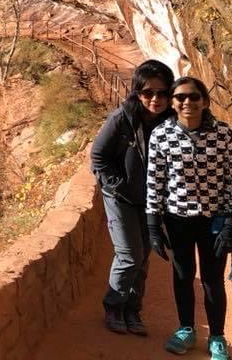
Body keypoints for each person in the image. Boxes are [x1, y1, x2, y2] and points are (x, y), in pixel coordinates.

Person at [146, 76, 232, 360]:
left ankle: (216, 337)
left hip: (214, 220)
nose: (187, 102)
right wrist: (153, 223)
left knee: (213, 279)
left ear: (205, 101)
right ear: (173, 103)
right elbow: (155, 181)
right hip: (178, 219)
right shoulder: (162, 135)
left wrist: (230, 220)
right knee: (183, 275)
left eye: (193, 97)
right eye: (180, 98)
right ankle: (186, 329)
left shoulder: (224, 134)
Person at [90, 59, 175, 335]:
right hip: (120, 196)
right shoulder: (122, 119)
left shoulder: (172, 122)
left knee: (144, 255)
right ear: (137, 92)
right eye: (148, 92)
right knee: (129, 254)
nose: (155, 99)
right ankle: (114, 306)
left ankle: (132, 309)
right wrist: (119, 185)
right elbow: (99, 156)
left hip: (151, 200)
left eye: (163, 93)